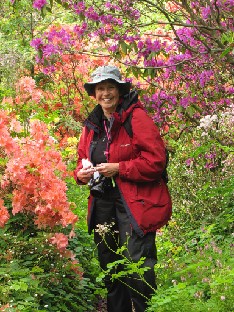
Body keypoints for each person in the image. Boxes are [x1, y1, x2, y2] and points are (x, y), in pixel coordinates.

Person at [74, 65, 172, 312]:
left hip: (136, 202)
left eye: (110, 87)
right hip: (103, 202)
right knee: (110, 264)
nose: (105, 93)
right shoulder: (92, 123)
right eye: (100, 89)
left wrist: (120, 168)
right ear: (94, 94)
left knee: (137, 263)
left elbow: (156, 162)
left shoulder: (136, 117)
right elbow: (81, 158)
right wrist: (81, 174)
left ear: (119, 90)